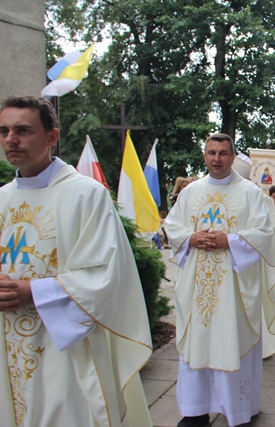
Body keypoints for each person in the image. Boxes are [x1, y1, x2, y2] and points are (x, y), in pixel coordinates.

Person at [0, 96, 153, 426]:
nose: (11, 140)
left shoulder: (86, 195)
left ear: (51, 137)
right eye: (4, 131)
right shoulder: (1, 198)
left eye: (23, 130)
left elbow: (105, 275)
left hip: (66, 348)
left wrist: (33, 291)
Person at [164, 133, 275, 427]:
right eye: (211, 152)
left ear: (232, 157)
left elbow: (265, 233)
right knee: (197, 343)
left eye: (222, 153)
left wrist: (229, 240)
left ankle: (239, 410)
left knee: (232, 340)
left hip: (234, 287)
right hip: (197, 287)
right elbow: (172, 226)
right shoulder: (190, 192)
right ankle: (194, 411)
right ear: (204, 156)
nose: (216, 158)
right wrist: (190, 238)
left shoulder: (250, 193)